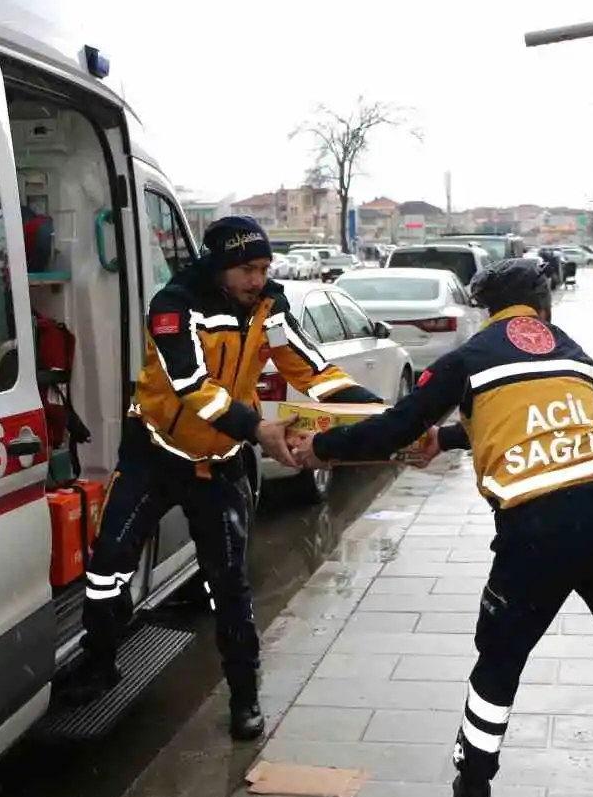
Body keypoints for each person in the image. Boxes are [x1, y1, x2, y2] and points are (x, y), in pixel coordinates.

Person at [288, 260, 593, 797]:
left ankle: (474, 786)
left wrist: (322, 447)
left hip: (535, 532)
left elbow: (393, 429)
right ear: (541, 306)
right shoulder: (574, 353)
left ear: (488, 309)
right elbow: (523, 419)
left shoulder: (469, 358)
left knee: (500, 662)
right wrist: (444, 440)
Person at [70, 216, 382, 740]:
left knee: (229, 585)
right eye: (246, 268)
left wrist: (381, 415)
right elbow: (194, 387)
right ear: (218, 264)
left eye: (263, 268)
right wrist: (258, 428)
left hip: (218, 466)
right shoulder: (173, 306)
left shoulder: (269, 306)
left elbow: (309, 368)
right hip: (155, 455)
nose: (257, 279)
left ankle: (244, 697)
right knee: (107, 567)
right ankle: (100, 661)